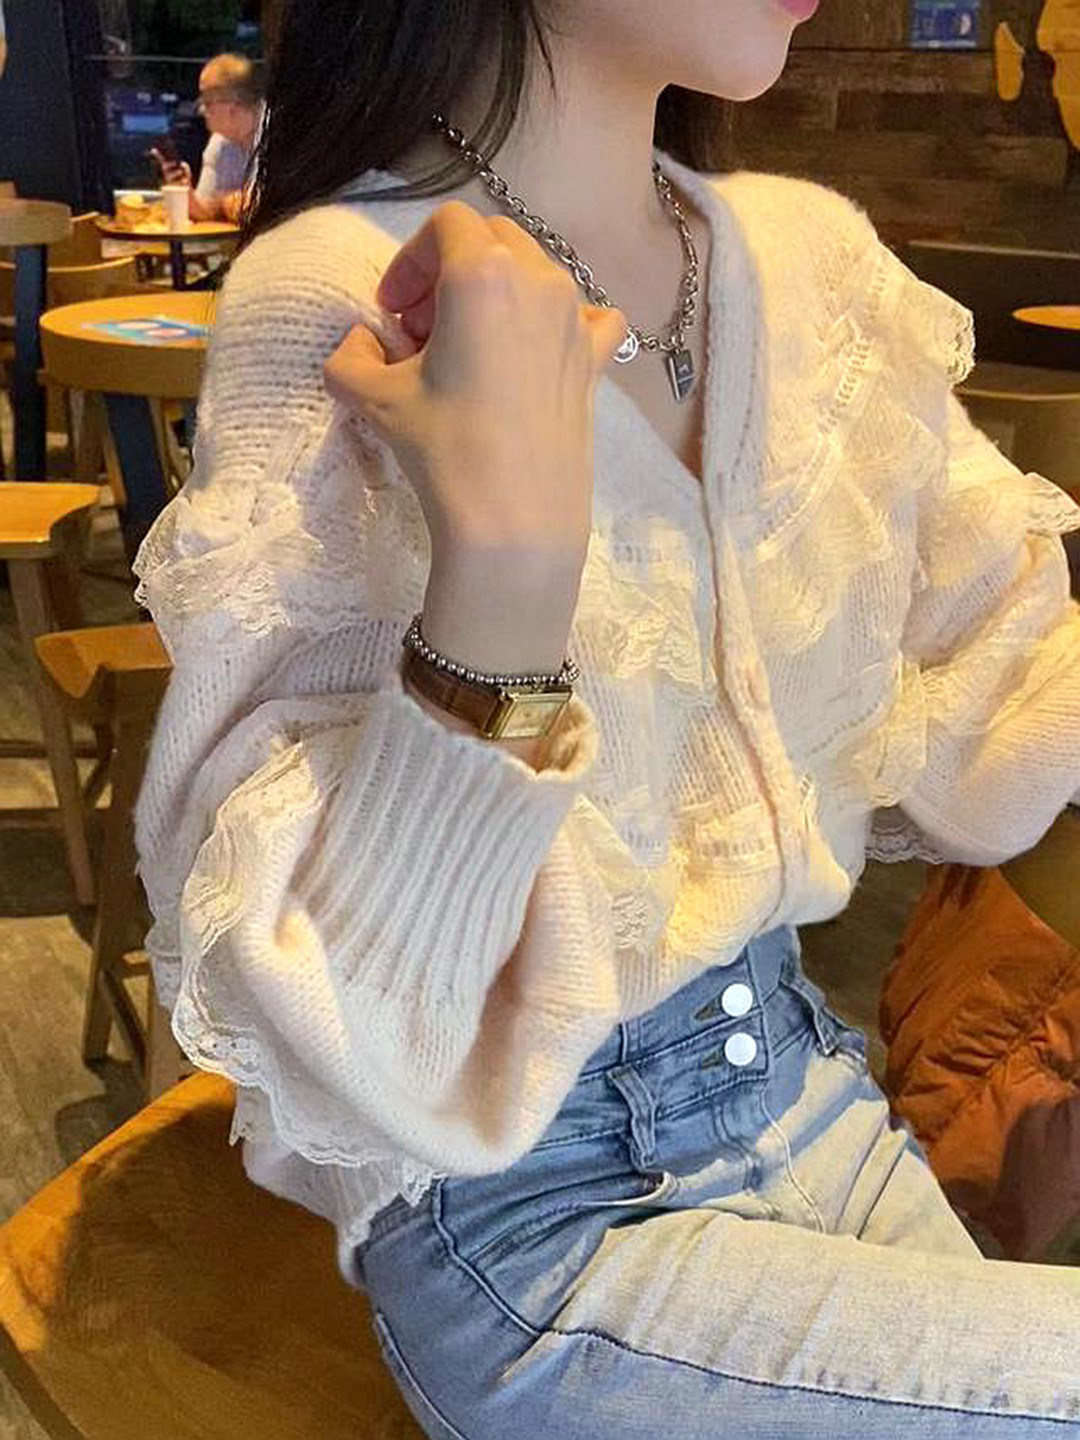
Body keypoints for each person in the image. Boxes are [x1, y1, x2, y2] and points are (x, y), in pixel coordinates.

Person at [131, 1, 1080, 1436]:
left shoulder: (808, 261)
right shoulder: (348, 300)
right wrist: (503, 601)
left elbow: (993, 719)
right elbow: (362, 1026)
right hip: (537, 1212)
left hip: (817, 1097)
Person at [152, 53, 262, 222]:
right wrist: (184, 191)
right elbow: (206, 212)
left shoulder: (278, 136)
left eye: (208, 102)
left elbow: (259, 211)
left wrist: (224, 203)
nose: (202, 110)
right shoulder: (220, 142)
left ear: (233, 107)